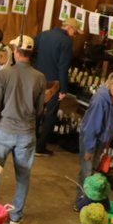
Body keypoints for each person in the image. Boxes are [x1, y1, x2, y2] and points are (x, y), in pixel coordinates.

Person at [0, 42, 47, 224]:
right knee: (23, 176)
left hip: (3, 131)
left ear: (16, 52)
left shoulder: (4, 74)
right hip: (26, 133)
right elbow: (40, 109)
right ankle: (16, 216)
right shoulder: (40, 77)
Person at [76, 70, 113, 204]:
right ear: (110, 84)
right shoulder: (100, 100)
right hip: (90, 138)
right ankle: (80, 201)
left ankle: (90, 199)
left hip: (102, 139)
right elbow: (91, 126)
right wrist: (89, 148)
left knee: (94, 169)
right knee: (86, 171)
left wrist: (108, 140)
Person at [33, 16, 80, 155]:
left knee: (36, 112)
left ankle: (31, 143)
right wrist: (64, 89)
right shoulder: (66, 42)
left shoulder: (44, 34)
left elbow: (31, 46)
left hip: (37, 79)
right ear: (69, 28)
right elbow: (63, 67)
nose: (75, 35)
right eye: (75, 32)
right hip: (53, 83)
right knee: (50, 115)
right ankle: (40, 147)